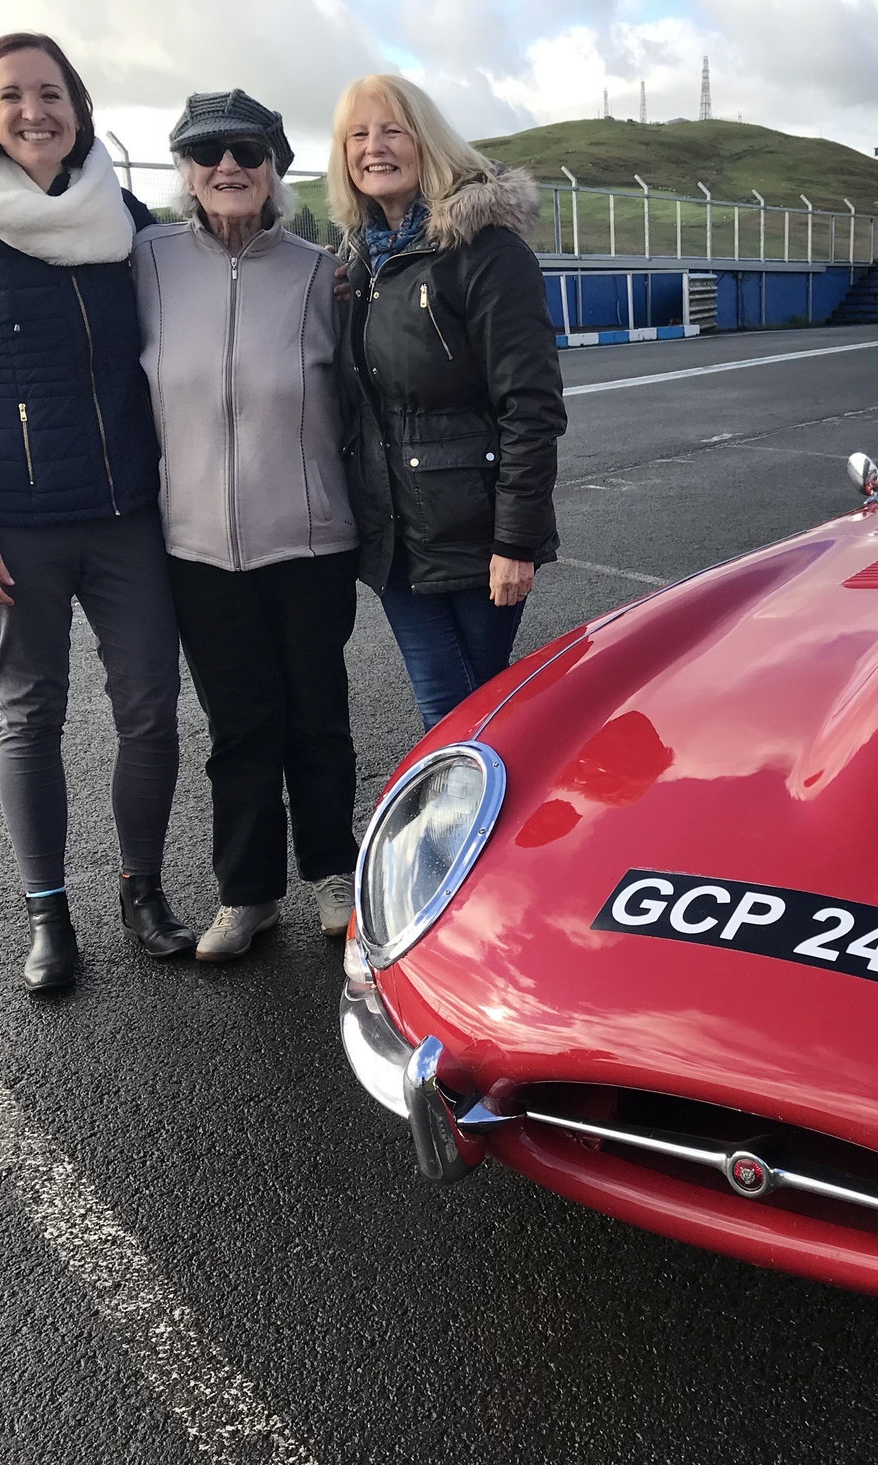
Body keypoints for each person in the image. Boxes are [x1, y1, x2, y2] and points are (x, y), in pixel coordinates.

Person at [0, 33, 192, 994]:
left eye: (52, 92)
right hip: (15, 526)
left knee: (150, 710)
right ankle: (47, 913)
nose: (36, 110)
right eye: (13, 94)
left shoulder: (127, 214)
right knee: (30, 717)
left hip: (126, 515)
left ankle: (140, 890)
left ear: (79, 106)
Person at [132, 91, 361, 961]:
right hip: (194, 544)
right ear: (185, 171)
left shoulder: (318, 272)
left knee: (317, 713)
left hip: (309, 540)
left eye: (248, 151)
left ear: (276, 168)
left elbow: (361, 399)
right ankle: (247, 892)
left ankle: (332, 873)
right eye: (207, 152)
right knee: (239, 725)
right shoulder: (146, 262)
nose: (228, 166)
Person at [327, 74, 566, 732]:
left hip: (474, 534)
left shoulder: (487, 253)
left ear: (427, 143)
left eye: (392, 130)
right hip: (397, 539)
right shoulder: (360, 265)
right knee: (468, 712)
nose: (374, 147)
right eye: (357, 135)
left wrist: (514, 542)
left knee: (461, 716)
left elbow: (531, 405)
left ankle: (487, 832)